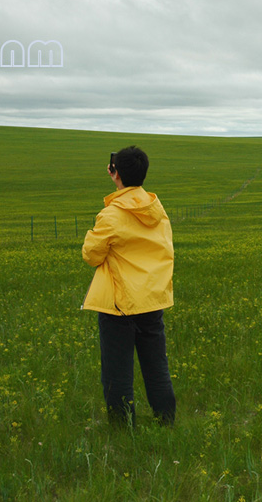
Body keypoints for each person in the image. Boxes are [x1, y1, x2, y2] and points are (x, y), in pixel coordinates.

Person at [82, 146, 176, 428]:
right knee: (156, 366)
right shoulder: (158, 212)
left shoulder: (111, 215)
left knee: (117, 372)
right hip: (152, 299)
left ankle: (123, 430)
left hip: (119, 303)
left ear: (115, 172)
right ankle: (166, 422)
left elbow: (91, 255)